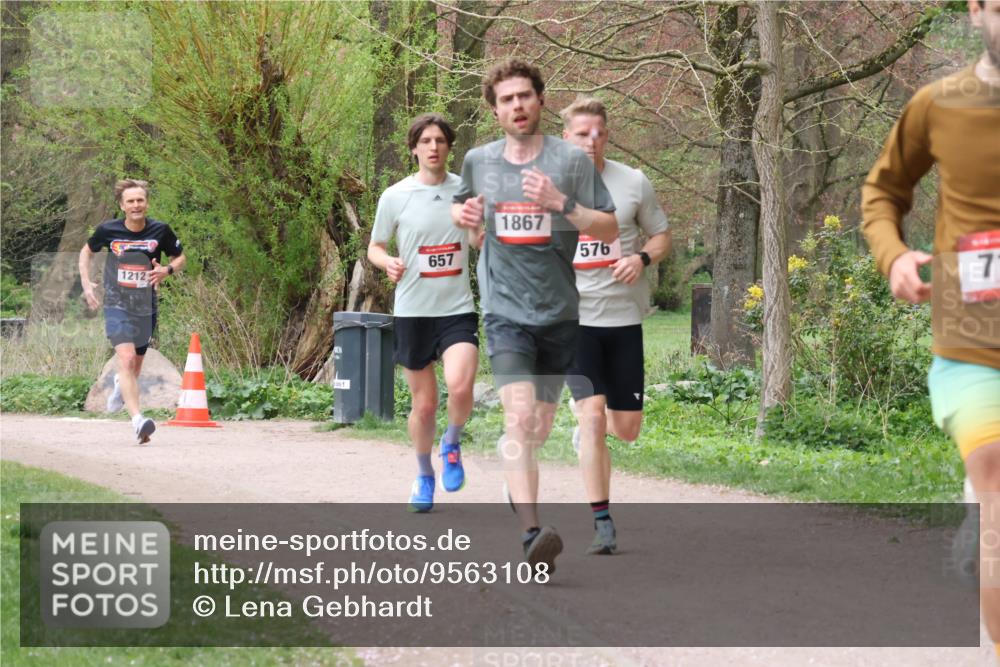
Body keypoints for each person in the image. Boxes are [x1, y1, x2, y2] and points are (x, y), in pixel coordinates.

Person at [861, 0, 1000, 654]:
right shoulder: (940, 105)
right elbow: (883, 192)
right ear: (976, 12)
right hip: (972, 344)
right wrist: (894, 257)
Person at [452, 59, 618, 573]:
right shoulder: (479, 161)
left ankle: (516, 474)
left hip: (560, 314)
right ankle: (530, 535)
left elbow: (609, 228)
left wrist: (561, 203)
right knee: (519, 418)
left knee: (538, 429)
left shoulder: (571, 160)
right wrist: (467, 221)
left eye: (524, 95)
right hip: (505, 312)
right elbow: (467, 225)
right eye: (506, 99)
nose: (517, 105)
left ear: (541, 101)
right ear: (494, 109)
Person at [560, 97, 671, 555]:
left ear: (607, 134)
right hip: (573, 321)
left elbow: (662, 235)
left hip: (624, 320)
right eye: (581, 133)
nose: (591, 141)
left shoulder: (632, 183)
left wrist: (641, 258)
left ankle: (586, 427)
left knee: (625, 428)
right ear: (564, 137)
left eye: (599, 133)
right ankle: (602, 522)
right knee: (592, 414)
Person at [368, 113, 479, 513]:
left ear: (450, 147)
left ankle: (451, 441)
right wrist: (387, 263)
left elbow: (480, 238)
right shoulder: (395, 195)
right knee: (425, 405)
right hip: (413, 311)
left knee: (461, 386)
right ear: (414, 148)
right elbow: (375, 246)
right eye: (426, 141)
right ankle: (423, 473)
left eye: (441, 141)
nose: (434, 147)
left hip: (457, 309)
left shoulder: (465, 193)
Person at [79, 179, 186, 444]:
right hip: (116, 303)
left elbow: (180, 257)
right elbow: (86, 251)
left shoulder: (160, 230)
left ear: (146, 202)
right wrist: (86, 283)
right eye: (131, 201)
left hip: (145, 305)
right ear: (122, 206)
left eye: (140, 200)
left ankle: (120, 385)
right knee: (126, 359)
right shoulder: (108, 229)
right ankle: (138, 421)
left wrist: (167, 270)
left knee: (135, 365)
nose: (136, 205)